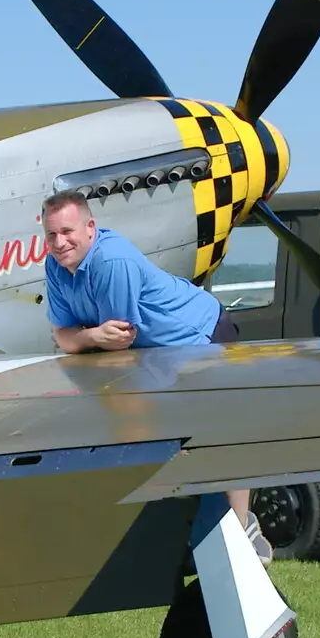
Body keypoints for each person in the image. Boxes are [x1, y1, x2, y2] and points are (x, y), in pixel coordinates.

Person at [40, 190, 275, 560]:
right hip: (159, 353)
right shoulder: (56, 266)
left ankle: (243, 529)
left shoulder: (112, 260)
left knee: (218, 432)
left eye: (67, 231)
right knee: (168, 438)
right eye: (51, 235)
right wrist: (89, 336)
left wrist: (85, 337)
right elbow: (63, 336)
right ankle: (199, 529)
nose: (59, 242)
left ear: (90, 227)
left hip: (201, 334)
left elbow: (117, 340)